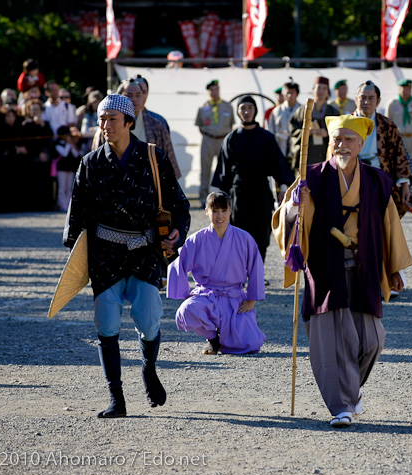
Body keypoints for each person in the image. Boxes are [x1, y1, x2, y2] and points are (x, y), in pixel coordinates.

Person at [272, 114, 412, 428]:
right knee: (332, 343)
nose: (342, 145)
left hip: (364, 268)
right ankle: (342, 407)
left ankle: (350, 390)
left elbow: (389, 226)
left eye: (349, 139)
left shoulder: (376, 180)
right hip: (325, 267)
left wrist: (393, 269)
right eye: (337, 139)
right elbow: (291, 221)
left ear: (362, 144)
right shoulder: (312, 176)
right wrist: (296, 204)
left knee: (372, 341)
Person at [63, 94, 191, 418]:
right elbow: (77, 213)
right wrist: (75, 256)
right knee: (106, 324)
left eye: (112, 119)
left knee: (149, 320)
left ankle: (149, 368)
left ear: (129, 123)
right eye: (101, 119)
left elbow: (178, 203)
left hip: (145, 250)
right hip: (105, 253)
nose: (105, 125)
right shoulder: (90, 163)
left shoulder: (153, 157)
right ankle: (116, 398)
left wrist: (178, 231)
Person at [167, 191, 266, 355]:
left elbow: (256, 268)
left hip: (234, 298)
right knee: (186, 311)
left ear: (230, 210)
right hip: (207, 295)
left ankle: (226, 339)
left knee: (251, 344)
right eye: (215, 211)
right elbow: (179, 264)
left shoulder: (244, 238)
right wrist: (185, 294)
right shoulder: (196, 240)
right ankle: (212, 339)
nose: (219, 216)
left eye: (224, 210)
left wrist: (252, 299)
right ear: (207, 211)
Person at [211, 96, 293, 263]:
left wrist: (283, 187)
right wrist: (220, 199)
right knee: (237, 234)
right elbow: (223, 172)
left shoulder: (266, 138)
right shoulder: (231, 138)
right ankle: (239, 274)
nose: (246, 111)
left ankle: (257, 271)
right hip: (238, 195)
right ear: (238, 111)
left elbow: (278, 164)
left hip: (261, 192)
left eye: (250, 107)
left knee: (261, 234)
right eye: (243, 108)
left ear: (255, 110)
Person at [93, 79, 181, 179]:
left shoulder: (157, 125)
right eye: (129, 95)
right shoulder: (105, 129)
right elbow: (95, 163)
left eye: (138, 95)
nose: (134, 99)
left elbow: (169, 162)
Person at [354, 81, 412, 218]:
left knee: (383, 220)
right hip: (352, 177)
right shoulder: (345, 124)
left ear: (378, 101)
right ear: (356, 99)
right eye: (363, 97)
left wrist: (405, 184)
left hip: (381, 177)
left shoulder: (387, 125)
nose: (366, 102)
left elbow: (400, 154)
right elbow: (333, 155)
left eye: (371, 98)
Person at [196, 80, 235, 208]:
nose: (214, 92)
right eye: (211, 90)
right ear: (208, 92)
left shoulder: (227, 106)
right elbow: (200, 126)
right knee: (205, 169)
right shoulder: (203, 108)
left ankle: (224, 196)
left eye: (216, 89)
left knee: (225, 169)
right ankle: (203, 198)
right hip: (208, 139)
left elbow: (231, 125)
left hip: (223, 140)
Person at [289, 76, 340, 168]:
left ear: (328, 92)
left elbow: (340, 132)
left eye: (324, 88)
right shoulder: (301, 110)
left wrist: (328, 134)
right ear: (313, 90)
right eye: (318, 88)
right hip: (306, 156)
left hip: (325, 155)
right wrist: (305, 132)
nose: (321, 91)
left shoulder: (333, 112)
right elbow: (293, 129)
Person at [387, 79, 412, 165]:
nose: (406, 91)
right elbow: (388, 122)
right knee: (397, 165)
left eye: (408, 89)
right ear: (399, 89)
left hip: (411, 138)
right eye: (404, 88)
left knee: (411, 165)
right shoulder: (393, 104)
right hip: (398, 138)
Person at [268, 80, 301, 160]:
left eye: (292, 92)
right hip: (280, 148)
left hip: (298, 150)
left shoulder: (302, 110)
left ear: (297, 94)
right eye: (287, 93)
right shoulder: (277, 111)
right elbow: (271, 131)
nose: (290, 95)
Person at [54, 125, 82, 211]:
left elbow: (76, 154)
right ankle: (61, 204)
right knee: (62, 188)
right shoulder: (58, 145)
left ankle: (68, 204)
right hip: (62, 169)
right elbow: (65, 154)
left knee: (69, 188)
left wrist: (71, 144)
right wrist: (68, 144)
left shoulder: (70, 144)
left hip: (70, 168)